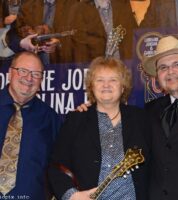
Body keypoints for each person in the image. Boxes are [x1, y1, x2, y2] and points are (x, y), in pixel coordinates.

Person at [48, 56, 150, 200]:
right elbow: (56, 165)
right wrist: (72, 196)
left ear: (123, 87)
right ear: (91, 86)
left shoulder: (142, 119)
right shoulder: (76, 120)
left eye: (113, 80)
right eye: (100, 80)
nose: (106, 85)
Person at [142, 36, 178, 200]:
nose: (170, 71)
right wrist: (90, 111)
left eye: (177, 64)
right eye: (163, 67)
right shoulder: (150, 111)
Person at [0, 51, 61, 199]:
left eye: (36, 74)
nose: (29, 78)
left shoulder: (50, 118)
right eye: (23, 71)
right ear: (10, 73)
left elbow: (61, 165)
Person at [66, 0, 137, 63]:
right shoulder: (79, 10)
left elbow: (135, 39)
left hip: (125, 72)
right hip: (96, 72)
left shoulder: (123, 5)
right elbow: (78, 52)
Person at [16, 0, 78, 65]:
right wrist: (27, 41)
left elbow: (79, 36)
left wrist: (60, 44)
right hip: (32, 64)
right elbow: (16, 34)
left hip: (61, 64)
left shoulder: (73, 6)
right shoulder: (26, 6)